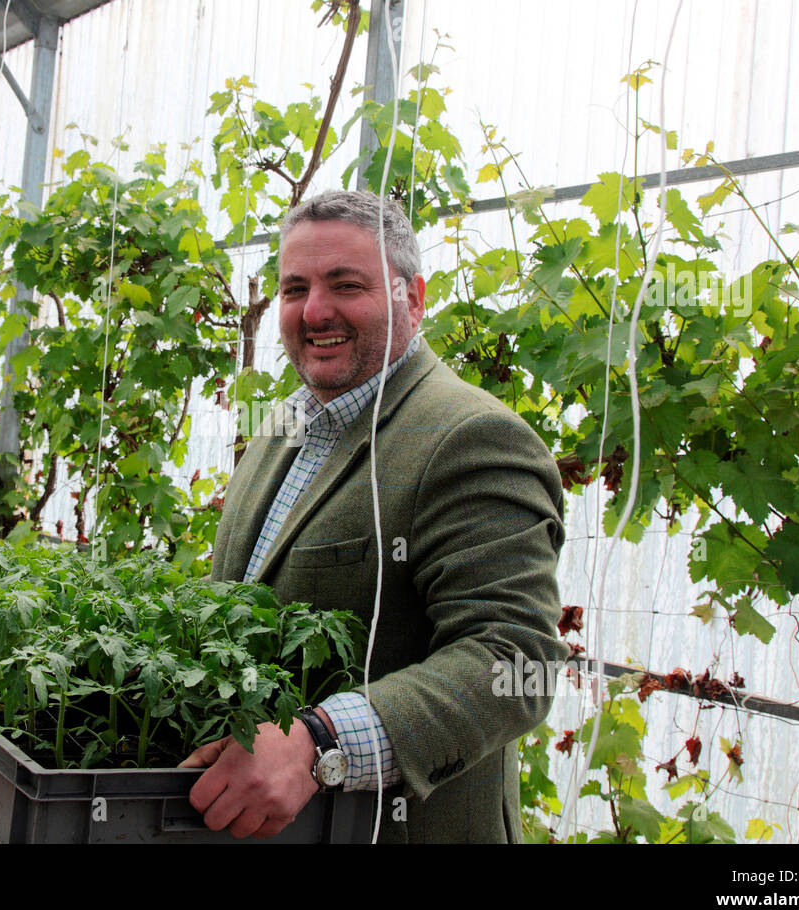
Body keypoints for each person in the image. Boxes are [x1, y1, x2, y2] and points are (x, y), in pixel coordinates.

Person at [178, 189, 567, 843]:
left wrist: (319, 742)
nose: (315, 310)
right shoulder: (284, 423)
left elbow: (515, 663)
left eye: (345, 284)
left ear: (413, 299)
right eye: (294, 288)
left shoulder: (468, 438)